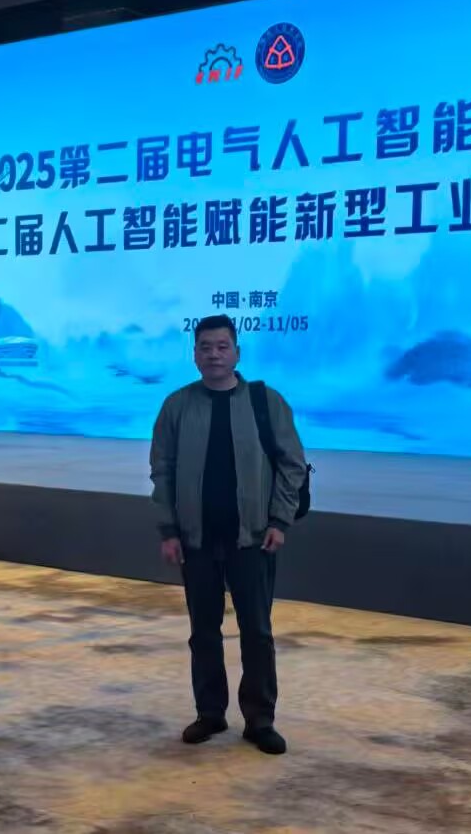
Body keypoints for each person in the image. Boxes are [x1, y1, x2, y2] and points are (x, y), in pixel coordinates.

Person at [149, 314, 309, 756]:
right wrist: (168, 529)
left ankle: (260, 720)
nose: (214, 355)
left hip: (253, 538)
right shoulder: (177, 405)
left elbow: (292, 465)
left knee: (256, 631)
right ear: (194, 355)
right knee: (203, 631)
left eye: (222, 346)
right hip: (196, 540)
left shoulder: (265, 401)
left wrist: (279, 521)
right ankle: (210, 713)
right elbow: (162, 471)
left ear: (237, 352)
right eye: (205, 347)